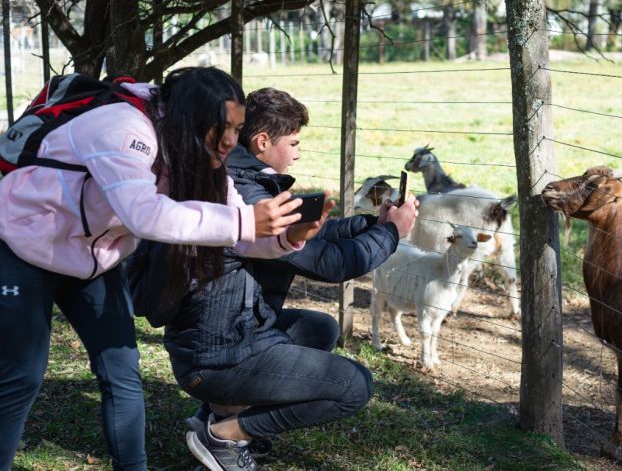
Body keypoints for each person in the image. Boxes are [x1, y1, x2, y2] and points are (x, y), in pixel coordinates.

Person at [0, 68, 327, 471]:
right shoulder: (120, 128)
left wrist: (284, 236)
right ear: (190, 117)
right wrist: (245, 222)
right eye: (223, 128)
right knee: (22, 376)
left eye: (238, 129)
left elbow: (237, 224)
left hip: (92, 259)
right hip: (20, 244)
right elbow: (145, 215)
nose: (230, 141)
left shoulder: (194, 149)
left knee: (121, 373)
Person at [127, 87, 418, 471]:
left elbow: (315, 235)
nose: (299, 151)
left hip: (216, 338)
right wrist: (392, 235)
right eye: (294, 142)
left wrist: (375, 225)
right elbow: (331, 264)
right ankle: (226, 435)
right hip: (215, 358)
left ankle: (216, 415)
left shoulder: (239, 177)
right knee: (353, 386)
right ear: (263, 141)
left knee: (320, 329)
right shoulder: (247, 196)